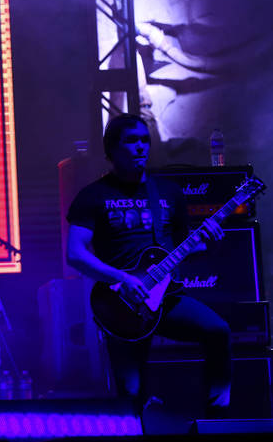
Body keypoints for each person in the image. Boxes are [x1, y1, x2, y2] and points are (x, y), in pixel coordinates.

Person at [66, 114, 230, 417]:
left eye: (145, 140)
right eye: (131, 140)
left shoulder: (168, 193)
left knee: (218, 330)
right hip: (121, 305)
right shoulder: (93, 196)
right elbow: (75, 254)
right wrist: (122, 278)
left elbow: (185, 249)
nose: (141, 147)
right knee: (130, 392)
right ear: (112, 149)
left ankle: (217, 419)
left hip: (167, 298)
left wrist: (208, 240)